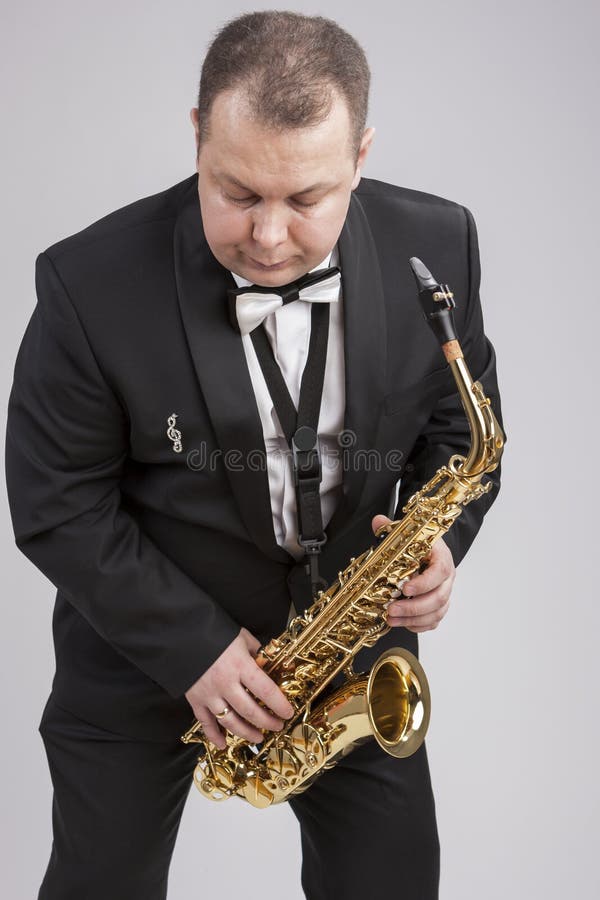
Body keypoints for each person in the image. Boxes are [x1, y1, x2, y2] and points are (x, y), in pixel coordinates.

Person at [5, 10, 504, 900]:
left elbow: (462, 433)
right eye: (236, 193)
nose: (269, 238)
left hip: (350, 652)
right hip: (141, 658)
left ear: (361, 155)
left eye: (307, 199)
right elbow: (56, 502)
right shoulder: (89, 285)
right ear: (197, 135)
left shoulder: (437, 247)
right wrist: (194, 649)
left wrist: (442, 541)